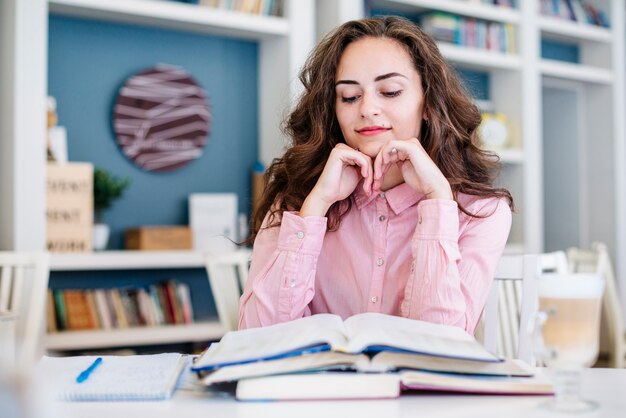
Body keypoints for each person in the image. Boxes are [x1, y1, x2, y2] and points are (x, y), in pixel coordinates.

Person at [239, 16, 513, 334]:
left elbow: (442, 344)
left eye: (390, 91)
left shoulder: (482, 211)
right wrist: (315, 207)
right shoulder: (296, 200)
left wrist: (438, 200)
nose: (367, 108)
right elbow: (257, 337)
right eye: (350, 97)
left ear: (428, 102)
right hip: (318, 384)